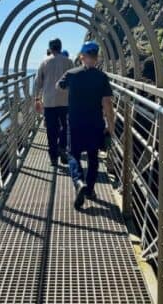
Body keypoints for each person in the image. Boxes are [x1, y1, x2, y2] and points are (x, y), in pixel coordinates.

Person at [56, 41, 115, 209]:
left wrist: (70, 88)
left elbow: (59, 86)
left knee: (73, 154)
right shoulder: (102, 77)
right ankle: (89, 190)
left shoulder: (72, 74)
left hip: (75, 122)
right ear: (96, 58)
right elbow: (107, 103)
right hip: (95, 123)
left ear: (82, 57)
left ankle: (79, 181)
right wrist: (110, 125)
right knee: (93, 157)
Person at [34, 38, 74, 166]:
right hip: (65, 101)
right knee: (65, 127)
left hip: (49, 101)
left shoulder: (44, 62)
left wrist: (37, 99)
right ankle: (62, 147)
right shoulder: (69, 62)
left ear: (50, 48)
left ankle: (53, 157)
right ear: (60, 48)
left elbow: (37, 82)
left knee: (51, 130)